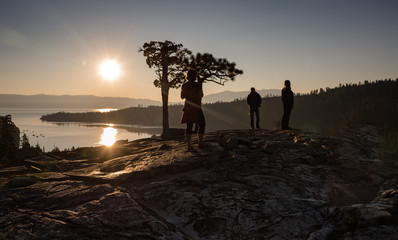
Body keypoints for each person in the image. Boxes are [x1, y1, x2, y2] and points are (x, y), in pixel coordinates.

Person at [180, 69, 206, 150]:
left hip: (188, 106)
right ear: (195, 76)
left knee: (189, 126)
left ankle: (188, 145)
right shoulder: (197, 85)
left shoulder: (184, 85)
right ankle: (200, 143)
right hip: (196, 106)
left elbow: (182, 96)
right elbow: (200, 95)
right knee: (202, 124)